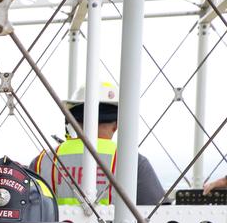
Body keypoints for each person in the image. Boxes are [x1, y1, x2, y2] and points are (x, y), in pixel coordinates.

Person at [28, 80, 164, 205]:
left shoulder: (42, 161)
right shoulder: (134, 162)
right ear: (116, 125)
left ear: (74, 121)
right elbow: (157, 212)